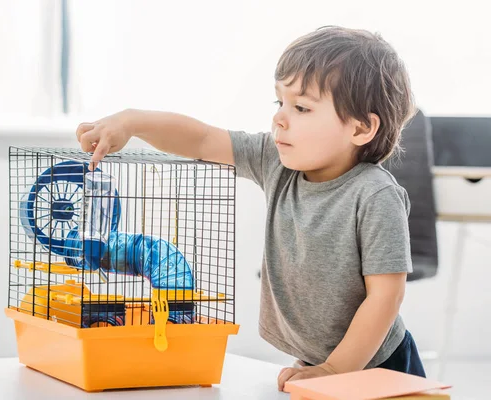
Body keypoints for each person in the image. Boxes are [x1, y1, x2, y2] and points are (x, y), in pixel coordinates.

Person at [76, 26, 426, 392]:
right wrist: (131, 122)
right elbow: (203, 138)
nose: (280, 119)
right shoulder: (276, 163)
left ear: (361, 128)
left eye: (302, 107)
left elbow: (386, 296)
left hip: (379, 366)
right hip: (321, 360)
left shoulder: (375, 195)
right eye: (280, 103)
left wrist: (335, 369)